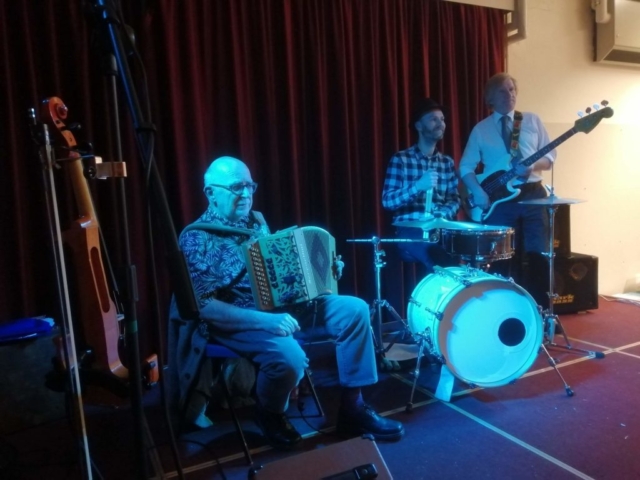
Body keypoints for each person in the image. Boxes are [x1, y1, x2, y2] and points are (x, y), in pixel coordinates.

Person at [168, 156, 404, 450]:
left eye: (249, 186)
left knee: (354, 310)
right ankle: (271, 414)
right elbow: (205, 308)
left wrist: (325, 273)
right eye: (236, 187)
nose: (245, 194)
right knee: (289, 357)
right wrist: (266, 321)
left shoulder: (257, 222)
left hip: (280, 308)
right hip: (236, 319)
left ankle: (353, 408)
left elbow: (281, 274)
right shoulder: (196, 238)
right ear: (211, 193)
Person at [458, 72, 555, 283]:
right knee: (498, 257)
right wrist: (478, 191)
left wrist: (532, 166)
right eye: (502, 91)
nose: (509, 94)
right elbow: (466, 166)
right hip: (498, 198)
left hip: (533, 195)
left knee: (537, 254)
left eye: (511, 89)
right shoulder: (481, 129)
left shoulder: (531, 120)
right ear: (490, 99)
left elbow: (549, 159)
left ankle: (537, 308)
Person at [382, 97, 460, 273]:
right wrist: (417, 187)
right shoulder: (401, 159)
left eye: (442, 119)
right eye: (433, 119)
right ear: (418, 126)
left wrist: (442, 215)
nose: (440, 124)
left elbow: (454, 199)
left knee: (465, 247)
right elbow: (387, 201)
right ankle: (444, 285)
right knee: (434, 252)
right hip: (410, 228)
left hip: (440, 228)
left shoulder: (447, 162)